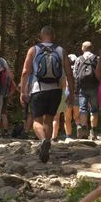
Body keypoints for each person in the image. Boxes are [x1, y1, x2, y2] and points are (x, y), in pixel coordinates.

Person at [20, 26, 75, 162]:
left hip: (38, 89)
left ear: (41, 36)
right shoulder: (61, 50)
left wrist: (23, 91)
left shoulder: (33, 50)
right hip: (56, 90)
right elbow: (68, 73)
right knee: (49, 119)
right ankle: (47, 147)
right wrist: (72, 92)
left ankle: (44, 140)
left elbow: (25, 72)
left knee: (36, 120)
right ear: (53, 36)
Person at [73, 42, 100, 140]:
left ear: (83, 48)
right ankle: (93, 131)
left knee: (83, 109)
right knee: (94, 109)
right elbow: (100, 73)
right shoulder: (97, 58)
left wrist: (75, 89)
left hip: (82, 87)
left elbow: (75, 74)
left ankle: (84, 130)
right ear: (91, 48)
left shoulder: (79, 59)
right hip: (94, 86)